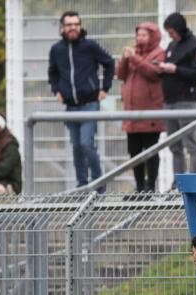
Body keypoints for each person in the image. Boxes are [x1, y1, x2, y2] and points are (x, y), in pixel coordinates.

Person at [47, 10, 115, 190]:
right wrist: (56, 90)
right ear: (62, 28)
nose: (73, 28)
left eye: (76, 24)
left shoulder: (90, 46)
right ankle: (82, 186)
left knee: (86, 143)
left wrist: (105, 88)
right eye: (69, 25)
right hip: (71, 107)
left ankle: (99, 185)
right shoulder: (56, 50)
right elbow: (52, 71)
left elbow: (109, 63)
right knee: (76, 147)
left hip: (90, 103)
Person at [157, 12, 196, 175]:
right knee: (174, 145)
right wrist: (161, 69)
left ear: (179, 29)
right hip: (169, 102)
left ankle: (195, 180)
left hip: (186, 101)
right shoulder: (172, 46)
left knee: (191, 144)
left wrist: (175, 69)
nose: (170, 36)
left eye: (172, 32)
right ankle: (177, 182)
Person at [116, 22, 165, 192]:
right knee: (134, 151)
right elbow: (121, 75)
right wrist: (124, 59)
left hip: (150, 111)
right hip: (132, 112)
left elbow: (153, 73)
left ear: (152, 36)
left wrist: (135, 59)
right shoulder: (133, 53)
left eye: (144, 35)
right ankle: (139, 187)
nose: (140, 38)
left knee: (150, 150)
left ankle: (150, 186)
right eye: (138, 35)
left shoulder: (159, 53)